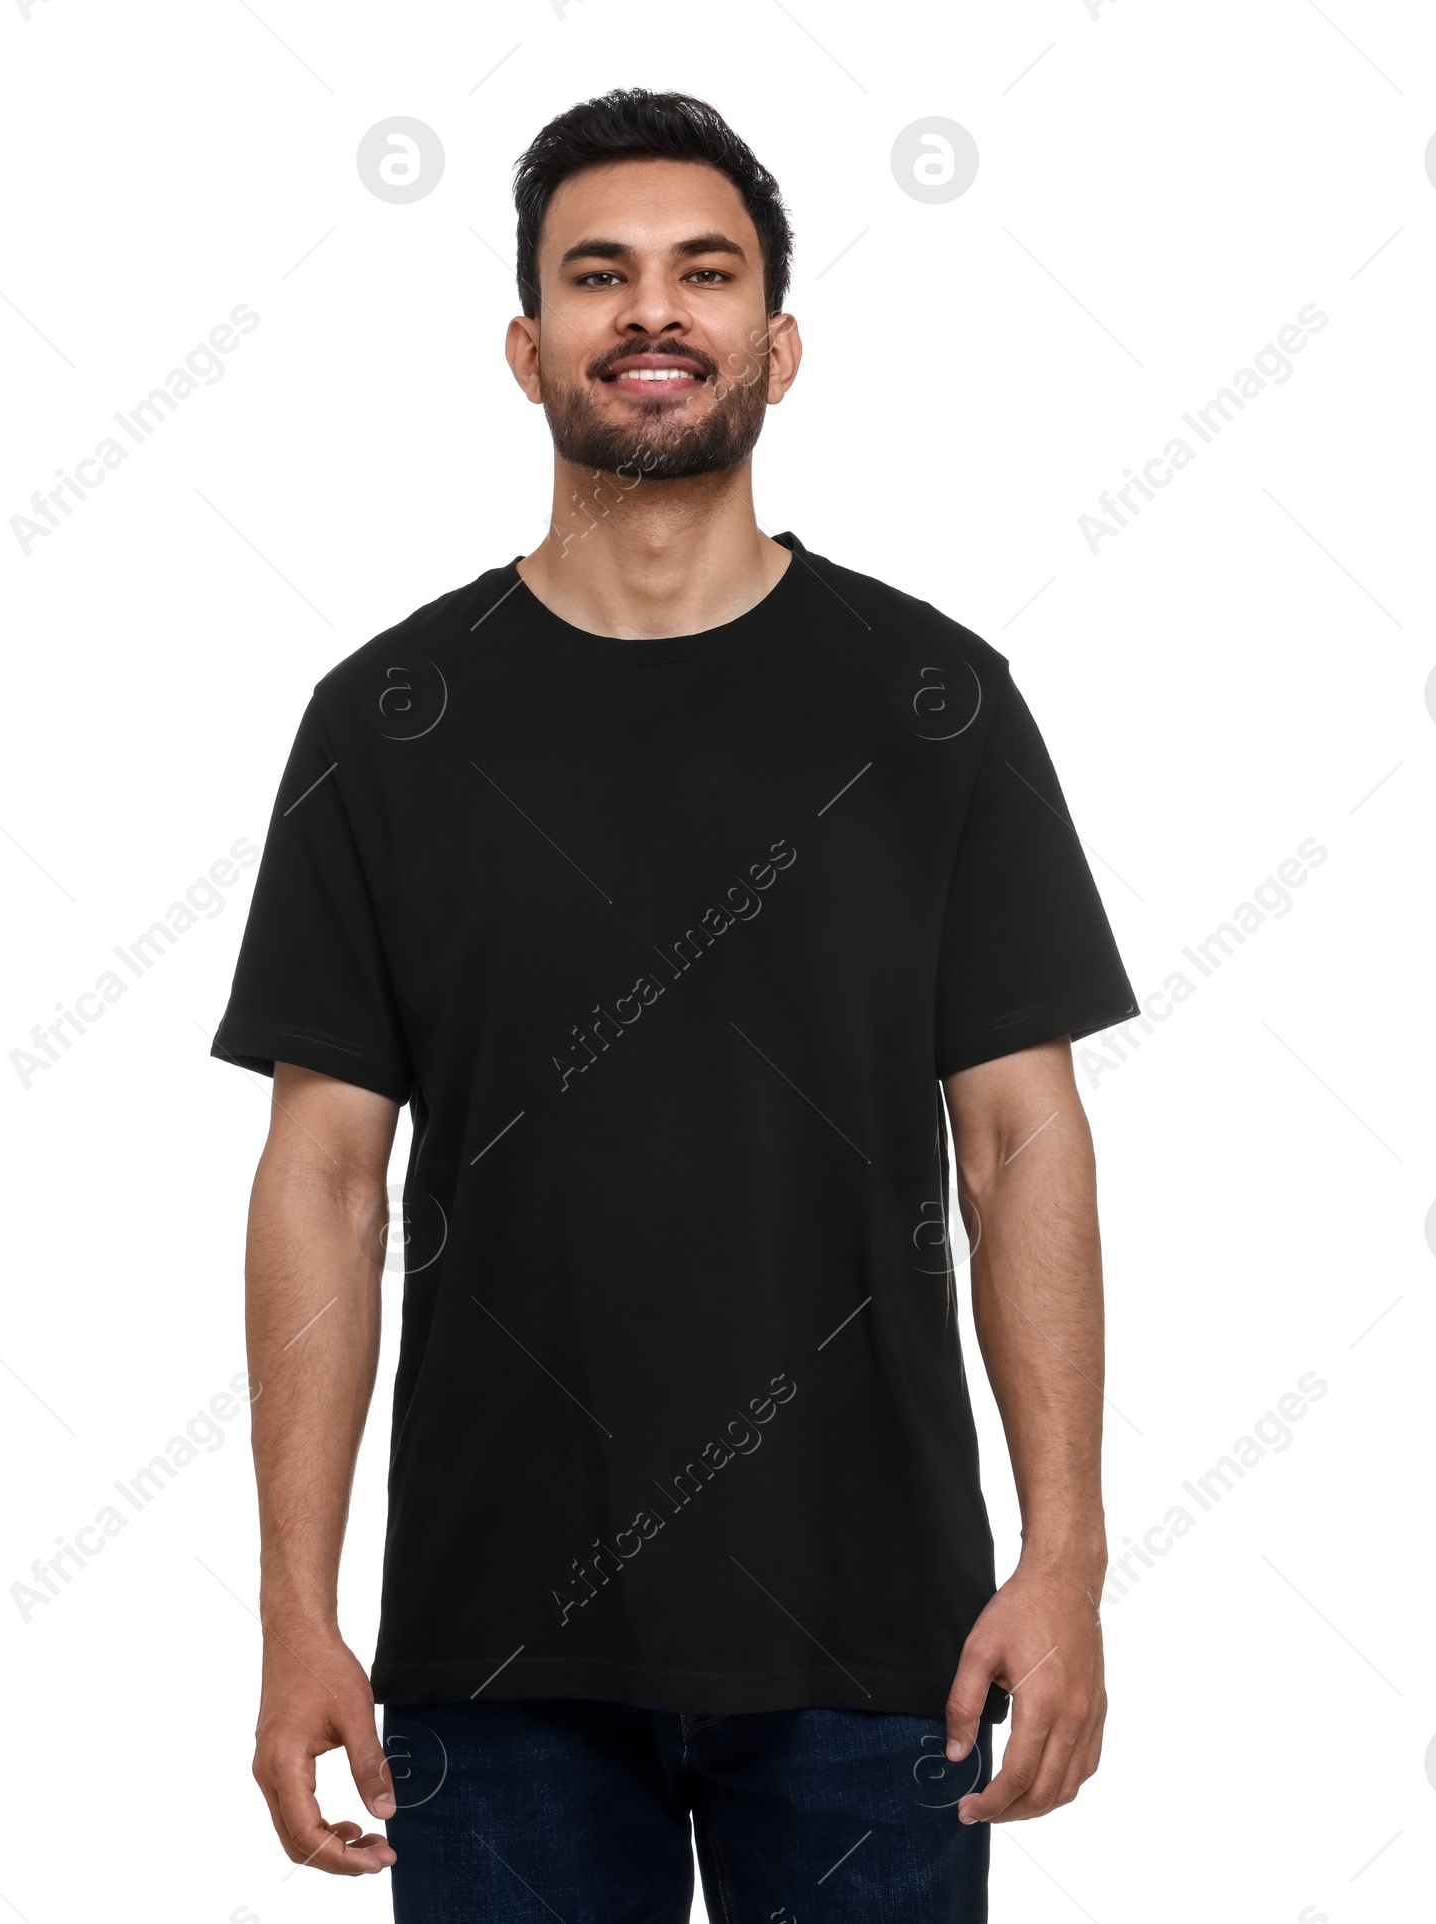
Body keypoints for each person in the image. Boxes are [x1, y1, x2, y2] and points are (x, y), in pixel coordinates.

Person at [211, 87, 1139, 1924]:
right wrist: (296, 1609)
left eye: (704, 274)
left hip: (887, 1649)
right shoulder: (391, 724)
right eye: (600, 276)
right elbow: (321, 1176)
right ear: (525, 343)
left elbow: (1024, 1143)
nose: (655, 313)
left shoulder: (931, 706)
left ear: (776, 346)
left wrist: (1070, 1561)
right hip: (497, 1659)